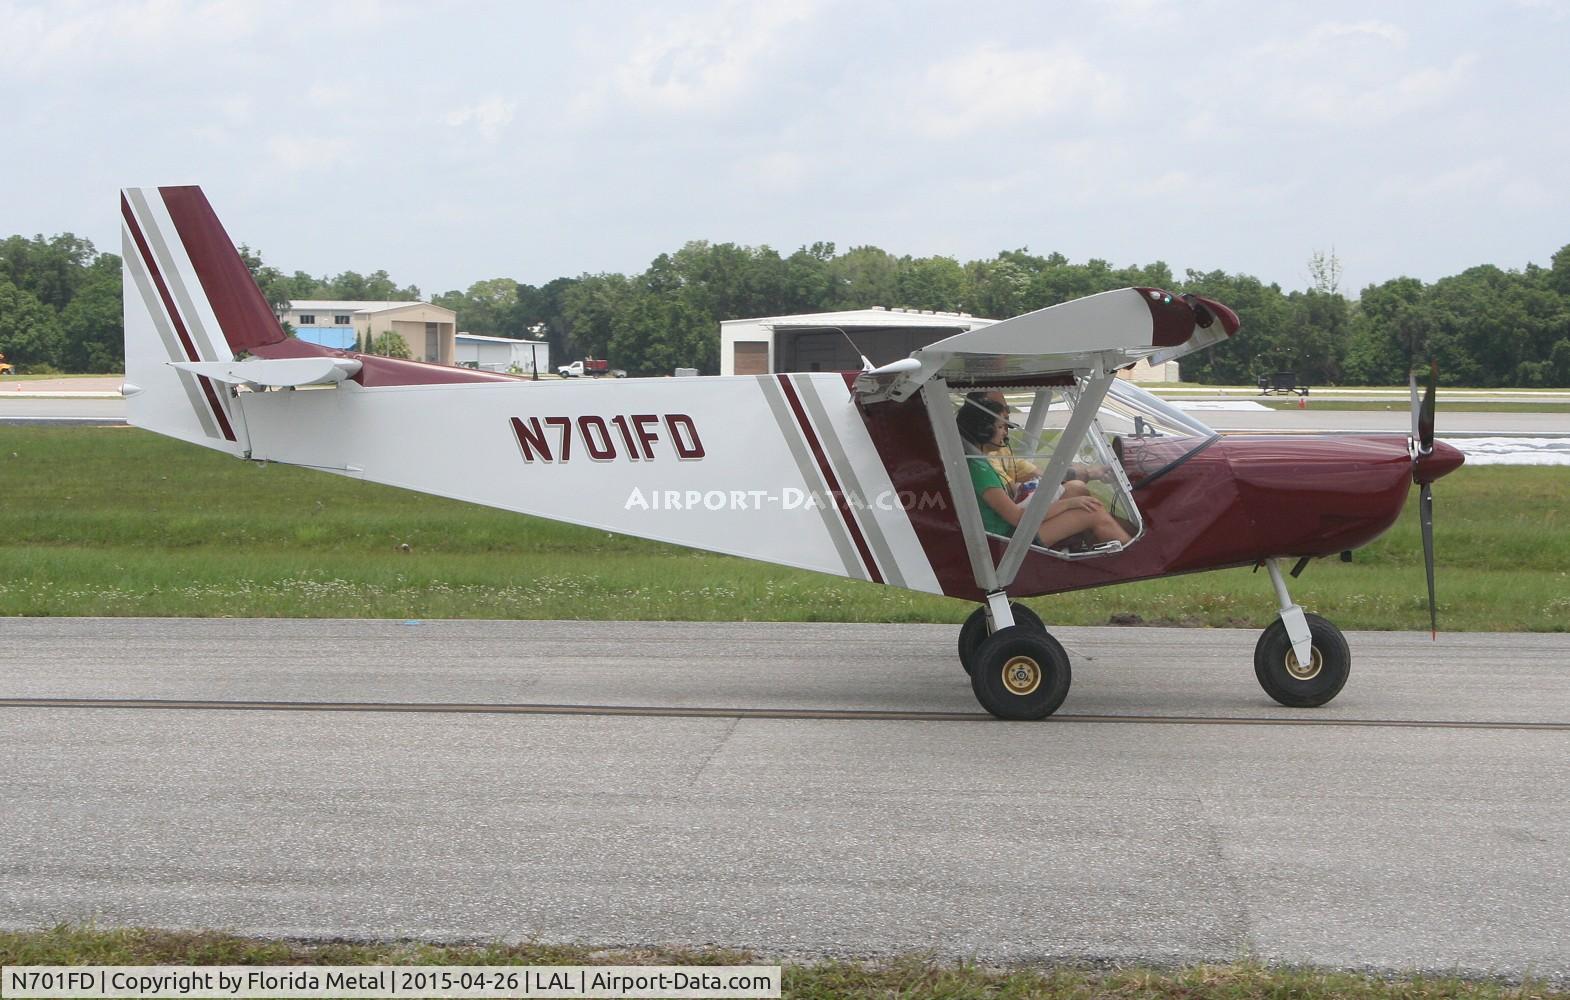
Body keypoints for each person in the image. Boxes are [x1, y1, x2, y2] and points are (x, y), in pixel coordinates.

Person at [957, 397, 1132, 549]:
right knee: (1092, 511)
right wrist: (1069, 504)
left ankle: (1105, 544)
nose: (1005, 432)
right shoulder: (979, 471)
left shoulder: (981, 462)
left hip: (1014, 529)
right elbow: (1018, 518)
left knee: (1076, 489)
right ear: (983, 431)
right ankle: (1134, 556)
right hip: (1008, 542)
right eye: (1001, 426)